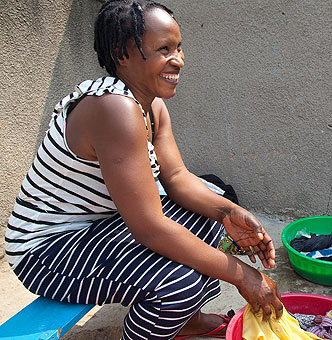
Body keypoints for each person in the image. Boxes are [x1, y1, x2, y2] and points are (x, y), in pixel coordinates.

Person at [5, 1, 283, 339]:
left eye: (178, 47)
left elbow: (177, 178)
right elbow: (149, 228)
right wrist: (244, 275)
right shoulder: (113, 110)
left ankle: (183, 321)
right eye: (163, 49)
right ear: (122, 54)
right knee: (176, 284)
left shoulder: (152, 106)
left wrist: (231, 211)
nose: (178, 59)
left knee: (211, 218)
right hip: (45, 250)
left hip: (98, 225)